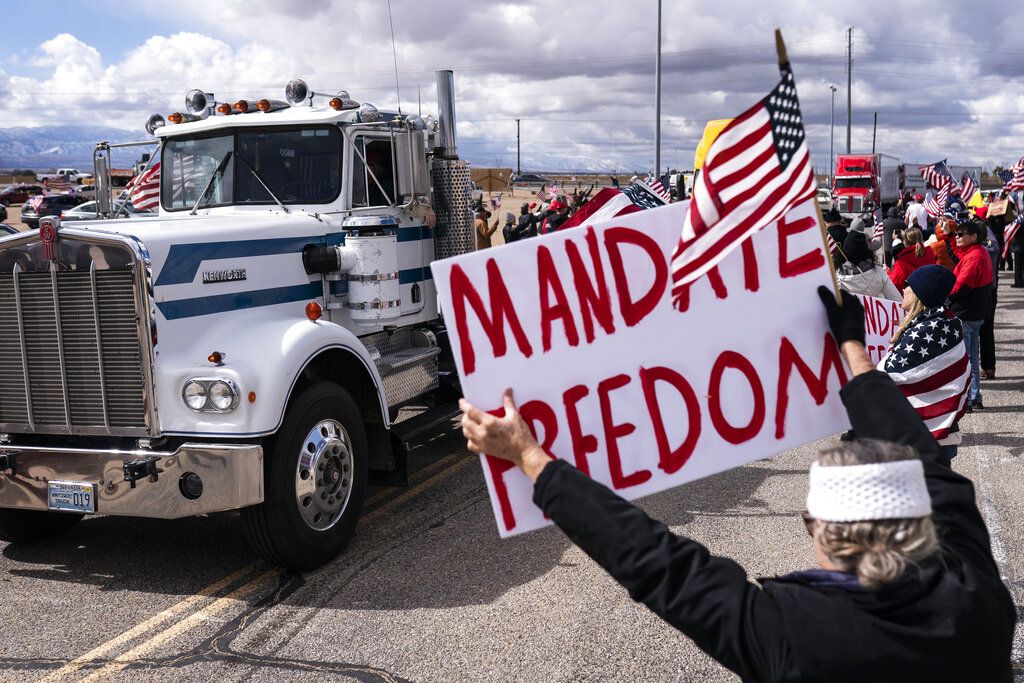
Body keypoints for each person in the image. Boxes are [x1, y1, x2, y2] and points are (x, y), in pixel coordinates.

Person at [458, 290, 1015, 682]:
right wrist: (853, 350)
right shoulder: (977, 597)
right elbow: (929, 464)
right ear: (920, 521)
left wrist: (528, 454)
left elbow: (655, 562)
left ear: (821, 531)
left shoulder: (794, 635)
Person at [882, 265, 965, 462]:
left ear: (920, 293)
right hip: (939, 438)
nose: (903, 289)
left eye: (908, 285)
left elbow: (888, 375)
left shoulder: (925, 332)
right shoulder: (946, 322)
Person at [949, 219, 993, 410]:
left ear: (974, 237)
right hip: (975, 312)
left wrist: (944, 297)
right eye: (957, 233)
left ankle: (967, 399)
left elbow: (959, 287)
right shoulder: (976, 252)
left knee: (964, 360)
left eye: (961, 234)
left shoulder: (974, 257)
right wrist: (947, 234)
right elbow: (956, 251)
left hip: (966, 313)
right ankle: (974, 396)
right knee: (972, 359)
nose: (957, 236)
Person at [838, 232, 901, 300]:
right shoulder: (879, 272)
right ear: (867, 251)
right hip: (875, 309)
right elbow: (897, 299)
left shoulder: (836, 278)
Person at [979, 226, 1001, 379]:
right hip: (991, 290)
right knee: (987, 330)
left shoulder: (978, 252)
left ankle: (979, 368)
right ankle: (989, 367)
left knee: (975, 332)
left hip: (979, 292)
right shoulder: (993, 247)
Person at [888, 227, 935, 292]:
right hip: (928, 294)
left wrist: (888, 272)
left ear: (905, 242)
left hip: (911, 298)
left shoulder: (901, 263)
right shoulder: (930, 254)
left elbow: (895, 284)